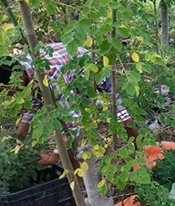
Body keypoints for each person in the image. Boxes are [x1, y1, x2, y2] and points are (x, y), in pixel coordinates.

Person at [0, 42, 138, 146]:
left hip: (89, 68)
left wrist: (54, 156)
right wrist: (19, 135)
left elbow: (72, 120)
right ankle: (77, 173)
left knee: (117, 114)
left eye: (10, 90)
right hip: (68, 67)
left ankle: (143, 151)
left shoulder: (49, 78)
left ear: (17, 79)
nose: (10, 95)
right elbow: (37, 100)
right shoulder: (18, 67)